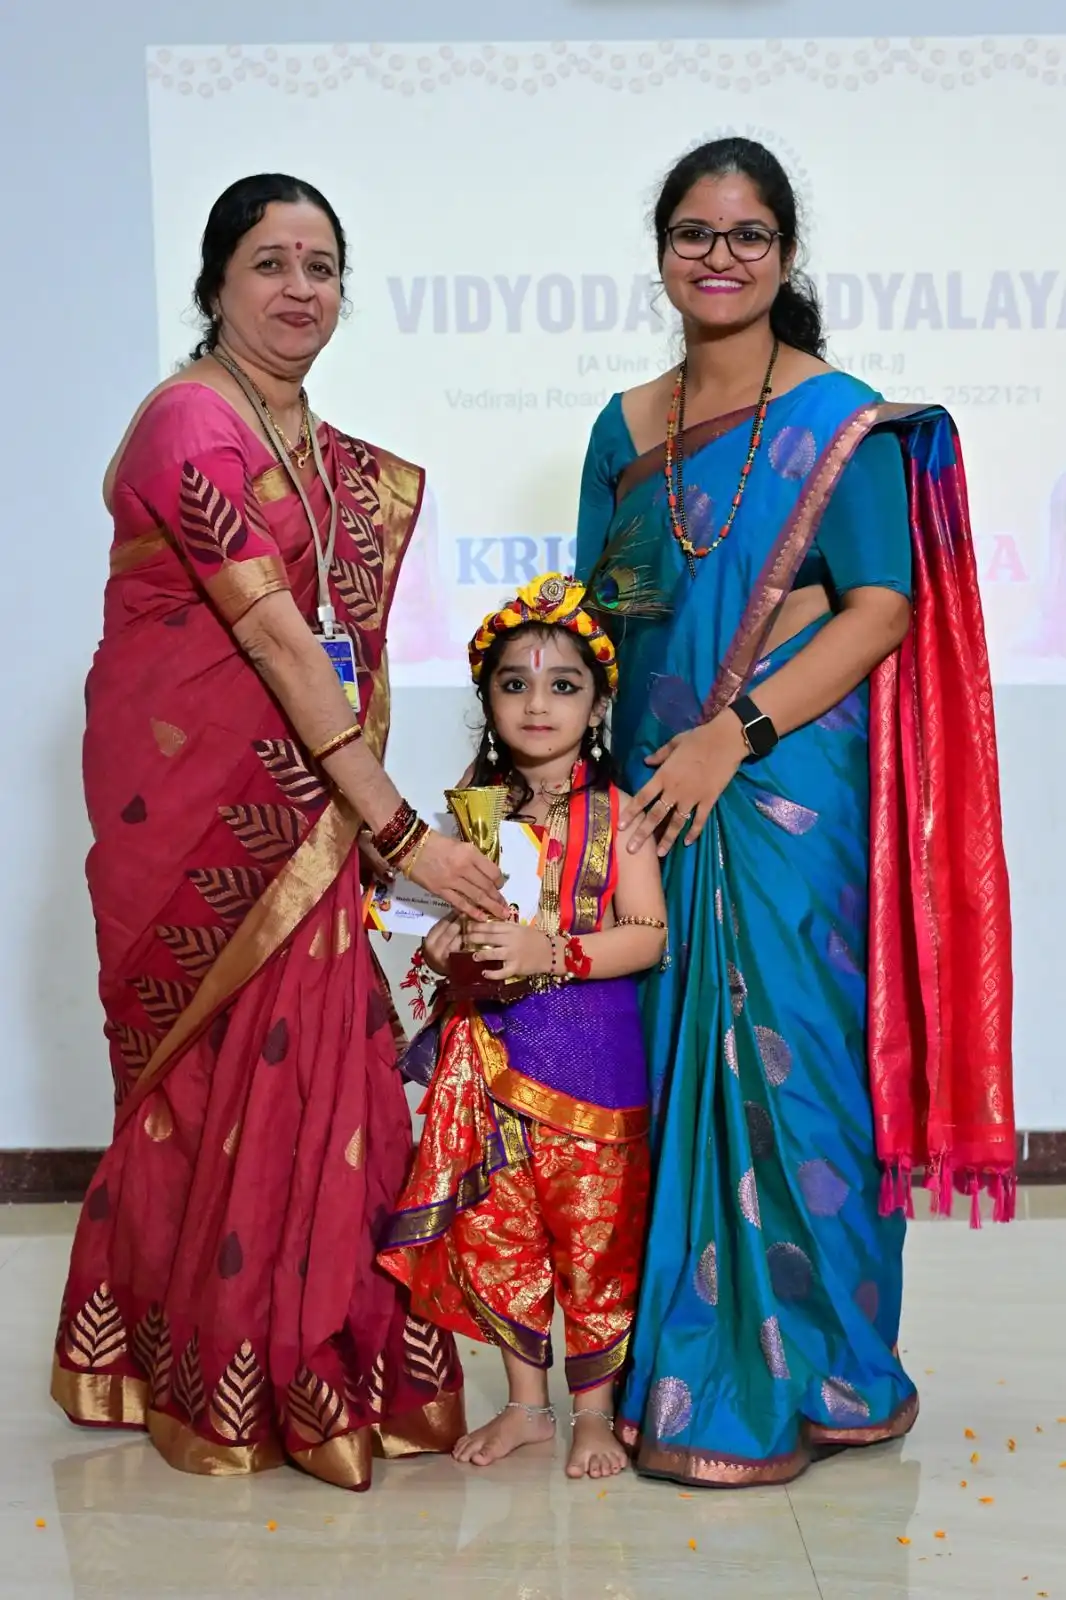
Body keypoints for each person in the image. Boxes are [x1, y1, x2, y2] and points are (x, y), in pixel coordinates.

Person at [51, 173, 507, 1492]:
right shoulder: (189, 421)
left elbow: (330, 648)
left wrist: (360, 810)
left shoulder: (319, 446)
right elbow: (267, 631)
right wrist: (398, 829)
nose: (300, 287)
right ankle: (211, 1368)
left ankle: (316, 1359)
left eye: (321, 265)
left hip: (304, 801)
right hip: (190, 805)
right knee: (213, 1086)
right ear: (214, 285)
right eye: (270, 261)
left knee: (323, 1077)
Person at [575, 138, 1015, 1487]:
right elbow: (606, 620)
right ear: (660, 251)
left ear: (783, 254)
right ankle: (685, 1367)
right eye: (695, 234)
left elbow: (880, 607)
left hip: (783, 792)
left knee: (796, 1068)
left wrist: (735, 731)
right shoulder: (621, 423)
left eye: (747, 235)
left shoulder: (843, 422)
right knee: (664, 1070)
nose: (720, 257)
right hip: (653, 791)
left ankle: (828, 1371)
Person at [377, 574, 667, 1479]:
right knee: (497, 1231)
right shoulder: (467, 815)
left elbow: (649, 938)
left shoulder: (621, 815)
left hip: (592, 1067)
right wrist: (452, 942)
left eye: (563, 684)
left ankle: (592, 1411)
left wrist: (557, 953)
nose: (537, 703)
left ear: (597, 702)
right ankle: (526, 1408)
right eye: (514, 683)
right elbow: (429, 930)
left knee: (593, 1240)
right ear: (487, 698)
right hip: (491, 1061)